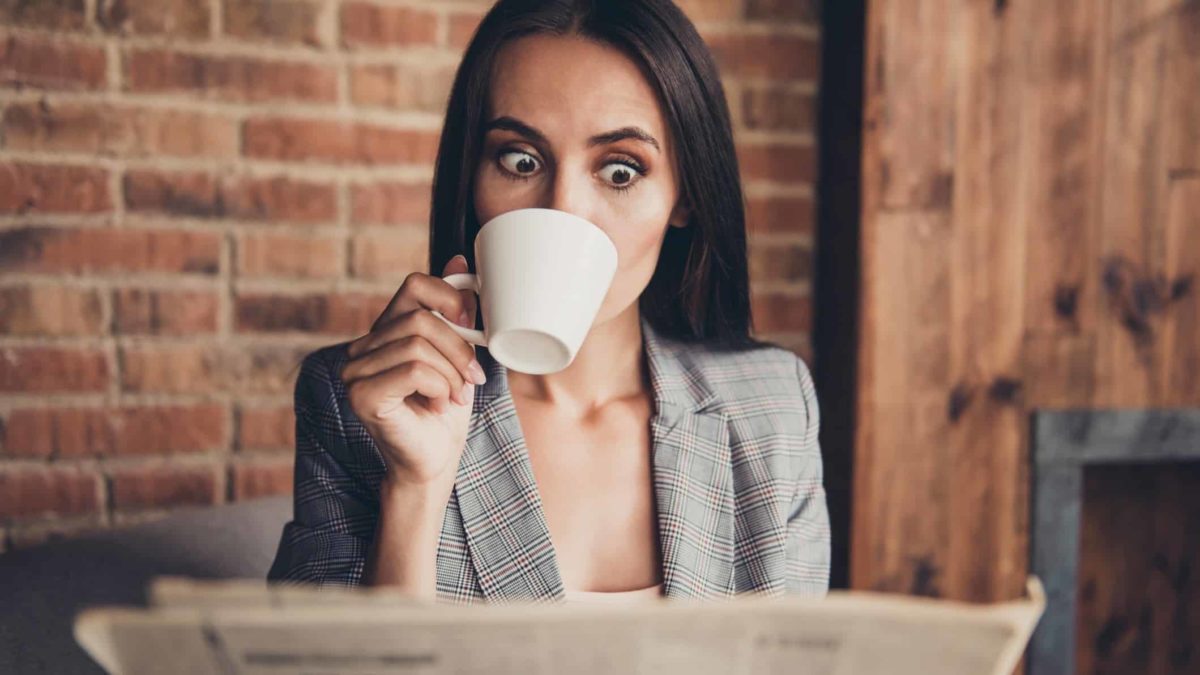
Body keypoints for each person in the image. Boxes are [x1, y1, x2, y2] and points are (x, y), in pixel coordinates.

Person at [267, 0, 830, 604]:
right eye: (520, 160)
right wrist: (416, 490)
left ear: (684, 197)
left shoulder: (771, 412)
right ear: (472, 179)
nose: (561, 211)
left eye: (620, 171)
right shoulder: (363, 405)